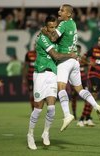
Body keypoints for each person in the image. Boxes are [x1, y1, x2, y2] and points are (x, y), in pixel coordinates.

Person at [42, 4, 100, 132]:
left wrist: (46, 32)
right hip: (75, 61)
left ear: (68, 14)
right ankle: (96, 105)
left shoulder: (64, 24)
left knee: (61, 88)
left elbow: (53, 38)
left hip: (65, 60)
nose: (59, 11)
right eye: (59, 9)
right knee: (80, 89)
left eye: (62, 10)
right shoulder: (73, 23)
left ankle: (67, 115)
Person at [26, 15, 77, 150]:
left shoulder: (56, 37)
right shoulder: (42, 38)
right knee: (37, 108)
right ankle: (30, 135)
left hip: (52, 75)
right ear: (45, 27)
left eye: (55, 27)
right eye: (50, 27)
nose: (53, 30)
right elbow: (56, 55)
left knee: (52, 108)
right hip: (40, 75)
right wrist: (71, 55)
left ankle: (46, 132)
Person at [76, 35, 100, 127]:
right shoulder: (93, 50)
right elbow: (82, 58)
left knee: (94, 98)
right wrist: (88, 63)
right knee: (91, 97)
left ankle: (87, 118)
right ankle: (81, 119)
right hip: (93, 76)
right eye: (99, 40)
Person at [22, 45, 36, 111]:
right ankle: (33, 109)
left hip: (40, 78)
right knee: (31, 94)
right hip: (30, 78)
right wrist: (24, 79)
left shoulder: (43, 54)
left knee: (39, 94)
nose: (36, 46)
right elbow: (25, 66)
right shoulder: (29, 54)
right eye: (35, 44)